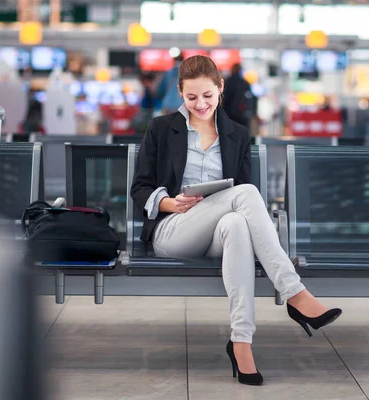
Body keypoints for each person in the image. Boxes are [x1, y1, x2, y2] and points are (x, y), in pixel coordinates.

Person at [131, 56, 342, 386]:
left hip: (217, 232)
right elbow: (139, 188)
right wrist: (171, 202)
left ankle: (241, 342)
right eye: (191, 97)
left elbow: (244, 204)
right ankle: (295, 294)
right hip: (172, 230)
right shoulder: (162, 128)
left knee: (237, 224)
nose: (200, 104)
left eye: (207, 96)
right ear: (180, 93)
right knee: (244, 193)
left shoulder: (237, 135)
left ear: (220, 89)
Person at [222, 63, 256, 128]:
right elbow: (251, 98)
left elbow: (224, 98)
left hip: (229, 115)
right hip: (242, 114)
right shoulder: (245, 83)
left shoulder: (228, 82)